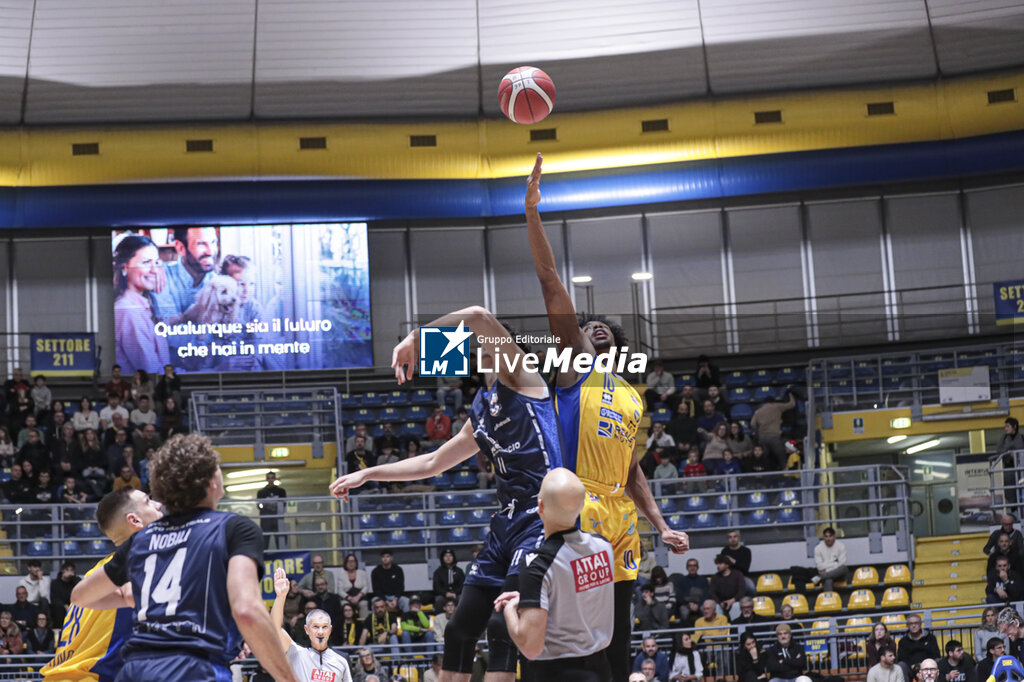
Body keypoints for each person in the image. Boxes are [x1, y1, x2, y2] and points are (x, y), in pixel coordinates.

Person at [330, 304, 566, 682]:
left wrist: (413, 339)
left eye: (492, 346)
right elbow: (432, 463)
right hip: (505, 524)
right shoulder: (482, 409)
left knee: (503, 629)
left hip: (541, 519)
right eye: (483, 351)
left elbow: (477, 315)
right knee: (458, 632)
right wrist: (367, 474)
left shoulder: (523, 378)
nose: (487, 355)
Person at [523, 153, 688, 681]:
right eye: (585, 327)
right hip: (580, 503)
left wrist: (660, 525)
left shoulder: (633, 398)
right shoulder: (575, 367)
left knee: (618, 625)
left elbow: (634, 471)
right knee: (574, 625)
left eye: (601, 329)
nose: (591, 328)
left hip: (622, 515)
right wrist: (531, 212)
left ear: (616, 345)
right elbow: (550, 281)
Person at [70, 434, 300, 682]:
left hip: (135, 671)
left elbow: (80, 597)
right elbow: (247, 610)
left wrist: (130, 598)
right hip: (194, 670)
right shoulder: (235, 528)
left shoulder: (143, 539)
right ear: (211, 481)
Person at [493, 468, 616, 682]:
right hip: (602, 670)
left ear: (539, 506)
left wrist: (511, 610)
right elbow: (575, 592)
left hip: (556, 673)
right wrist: (534, 599)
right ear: (582, 504)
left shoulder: (538, 564)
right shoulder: (604, 548)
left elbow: (531, 647)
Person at [39, 487, 163, 680]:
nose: (158, 504)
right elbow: (131, 593)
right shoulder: (140, 559)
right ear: (135, 520)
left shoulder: (99, 570)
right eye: (148, 501)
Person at [270, 566, 353, 682]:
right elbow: (274, 628)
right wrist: (281, 596)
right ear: (307, 629)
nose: (320, 632)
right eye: (315, 627)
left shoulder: (341, 660)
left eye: (324, 627)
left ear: (330, 630)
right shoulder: (297, 653)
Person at [113, 235, 171, 375]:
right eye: (146, 263)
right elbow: (150, 369)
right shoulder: (127, 311)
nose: (154, 270)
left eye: (157, 263)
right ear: (125, 268)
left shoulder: (145, 304)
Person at [750, 393, 797, 468]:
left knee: (764, 458)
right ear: (773, 402)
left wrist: (758, 431)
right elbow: (792, 404)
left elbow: (752, 424)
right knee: (781, 457)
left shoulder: (758, 411)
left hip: (762, 437)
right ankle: (786, 471)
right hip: (774, 437)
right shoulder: (776, 406)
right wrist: (791, 394)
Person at [897, 614, 941, 682]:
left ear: (920, 624)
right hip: (911, 668)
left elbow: (936, 654)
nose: (914, 625)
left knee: (938, 661)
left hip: (928, 666)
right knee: (901, 665)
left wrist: (925, 664)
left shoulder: (931, 638)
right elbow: (902, 658)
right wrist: (914, 666)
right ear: (908, 626)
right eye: (911, 624)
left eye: (916, 623)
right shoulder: (903, 641)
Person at [996, 418, 1024, 513]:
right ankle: (1014, 511)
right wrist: (1008, 455)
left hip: (1021, 471)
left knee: (1021, 491)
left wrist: (1017, 455)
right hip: (1009, 470)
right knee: (1010, 492)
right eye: (1005, 426)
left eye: (1007, 426)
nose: (1006, 429)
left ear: (1014, 427)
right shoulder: (1003, 439)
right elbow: (999, 451)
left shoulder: (1022, 438)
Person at [257, 471, 287, 550]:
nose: (270, 480)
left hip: (278, 520)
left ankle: (281, 556)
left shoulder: (281, 491)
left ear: (275, 479)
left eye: (272, 478)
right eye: (269, 478)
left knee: (280, 540)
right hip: (266, 520)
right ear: (266, 479)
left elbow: (283, 505)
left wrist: (268, 504)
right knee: (265, 541)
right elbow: (259, 505)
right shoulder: (261, 492)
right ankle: (264, 558)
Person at [711, 554, 747, 619]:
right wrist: (720, 603)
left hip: (735, 601)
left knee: (736, 606)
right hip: (721, 603)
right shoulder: (715, 577)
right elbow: (712, 593)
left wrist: (732, 600)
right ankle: (719, 628)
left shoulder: (738, 574)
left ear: (727, 565)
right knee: (715, 607)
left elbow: (742, 591)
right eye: (717, 564)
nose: (718, 566)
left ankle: (735, 627)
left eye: (720, 563)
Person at [432, 548, 466, 612]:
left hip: (457, 594)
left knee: (462, 599)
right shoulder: (438, 572)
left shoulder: (459, 571)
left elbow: (463, 585)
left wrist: (455, 593)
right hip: (443, 595)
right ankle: (439, 619)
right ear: (442, 558)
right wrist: (446, 593)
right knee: (439, 600)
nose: (448, 558)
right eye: (446, 556)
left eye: (450, 556)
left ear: (453, 557)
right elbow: (436, 587)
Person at [49, 561, 80, 629]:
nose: (69, 572)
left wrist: (73, 578)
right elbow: (54, 598)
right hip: (61, 607)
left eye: (71, 570)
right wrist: (64, 606)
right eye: (67, 570)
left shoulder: (76, 581)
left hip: (73, 605)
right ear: (62, 570)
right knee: (58, 608)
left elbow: (81, 592)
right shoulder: (55, 583)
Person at [338, 554, 370, 620]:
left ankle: (364, 625)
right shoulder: (341, 575)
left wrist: (358, 597)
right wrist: (349, 598)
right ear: (346, 563)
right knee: (344, 605)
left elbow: (366, 587)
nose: (351, 563)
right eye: (349, 561)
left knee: (364, 604)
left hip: (360, 598)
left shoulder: (362, 573)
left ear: (356, 563)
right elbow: (340, 590)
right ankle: (346, 625)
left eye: (353, 561)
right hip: (347, 598)